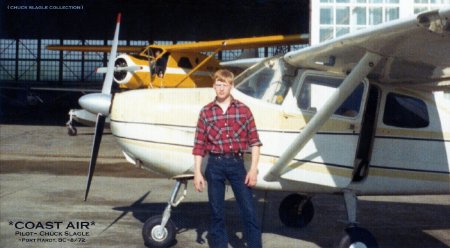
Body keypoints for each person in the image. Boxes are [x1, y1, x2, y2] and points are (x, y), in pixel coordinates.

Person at [193, 69, 263, 248]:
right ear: (213, 86)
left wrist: (253, 169)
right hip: (214, 165)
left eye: (225, 84)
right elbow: (199, 145)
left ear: (231, 86)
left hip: (236, 164)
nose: (221, 88)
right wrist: (197, 173)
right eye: (218, 84)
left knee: (248, 210)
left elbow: (255, 142)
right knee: (217, 213)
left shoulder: (244, 110)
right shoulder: (206, 112)